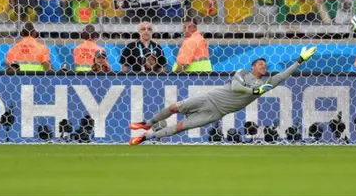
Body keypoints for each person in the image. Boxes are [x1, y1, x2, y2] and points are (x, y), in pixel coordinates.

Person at [129, 46, 317, 145]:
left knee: (179, 127)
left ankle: (146, 137)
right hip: (210, 97)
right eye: (260, 63)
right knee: (173, 108)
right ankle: (148, 122)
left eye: (265, 65)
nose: (263, 66)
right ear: (253, 66)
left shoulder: (265, 84)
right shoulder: (243, 72)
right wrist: (252, 91)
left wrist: (300, 60)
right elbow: (235, 86)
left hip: (216, 113)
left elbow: (283, 75)